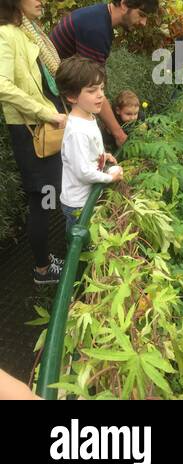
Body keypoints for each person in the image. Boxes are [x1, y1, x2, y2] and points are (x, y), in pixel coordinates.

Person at [1, 0, 69, 284]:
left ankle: (46, 256)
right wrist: (46, 113)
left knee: (48, 194)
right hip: (32, 130)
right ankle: (42, 270)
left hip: (45, 127)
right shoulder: (6, 33)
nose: (41, 1)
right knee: (41, 199)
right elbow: (2, 85)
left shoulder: (31, 31)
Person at [49, 0, 157, 148]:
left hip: (63, 88)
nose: (143, 23)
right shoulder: (96, 29)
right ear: (124, 5)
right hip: (52, 93)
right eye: (141, 14)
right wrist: (118, 134)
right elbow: (92, 85)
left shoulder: (99, 16)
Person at [56, 56, 121, 236]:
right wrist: (110, 176)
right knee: (81, 241)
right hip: (78, 203)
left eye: (101, 88)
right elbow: (83, 172)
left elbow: (88, 151)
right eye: (92, 90)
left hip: (88, 197)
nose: (101, 95)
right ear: (71, 96)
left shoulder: (88, 116)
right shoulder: (77, 131)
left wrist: (103, 156)